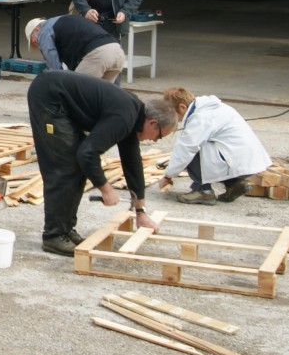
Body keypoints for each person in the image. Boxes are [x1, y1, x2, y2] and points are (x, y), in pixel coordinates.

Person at [26, 70, 178, 256]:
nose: (155, 141)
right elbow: (87, 153)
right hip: (49, 96)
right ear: (153, 123)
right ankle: (54, 236)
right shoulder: (125, 117)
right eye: (160, 136)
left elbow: (133, 163)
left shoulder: (133, 118)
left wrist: (140, 211)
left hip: (60, 97)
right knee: (65, 167)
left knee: (76, 166)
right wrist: (106, 188)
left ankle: (65, 230)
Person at [158, 86, 272, 205]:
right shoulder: (215, 107)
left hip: (234, 160)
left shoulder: (200, 118)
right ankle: (234, 184)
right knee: (210, 146)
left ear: (182, 107)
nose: (174, 119)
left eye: (173, 114)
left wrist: (168, 176)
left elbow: (186, 148)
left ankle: (203, 191)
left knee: (192, 149)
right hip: (249, 161)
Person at [26, 14, 125, 81]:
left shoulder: (44, 30)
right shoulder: (64, 20)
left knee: (74, 95)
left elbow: (54, 66)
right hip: (117, 51)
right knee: (100, 99)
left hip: (98, 55)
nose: (39, 46)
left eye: (35, 42)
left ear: (36, 29)